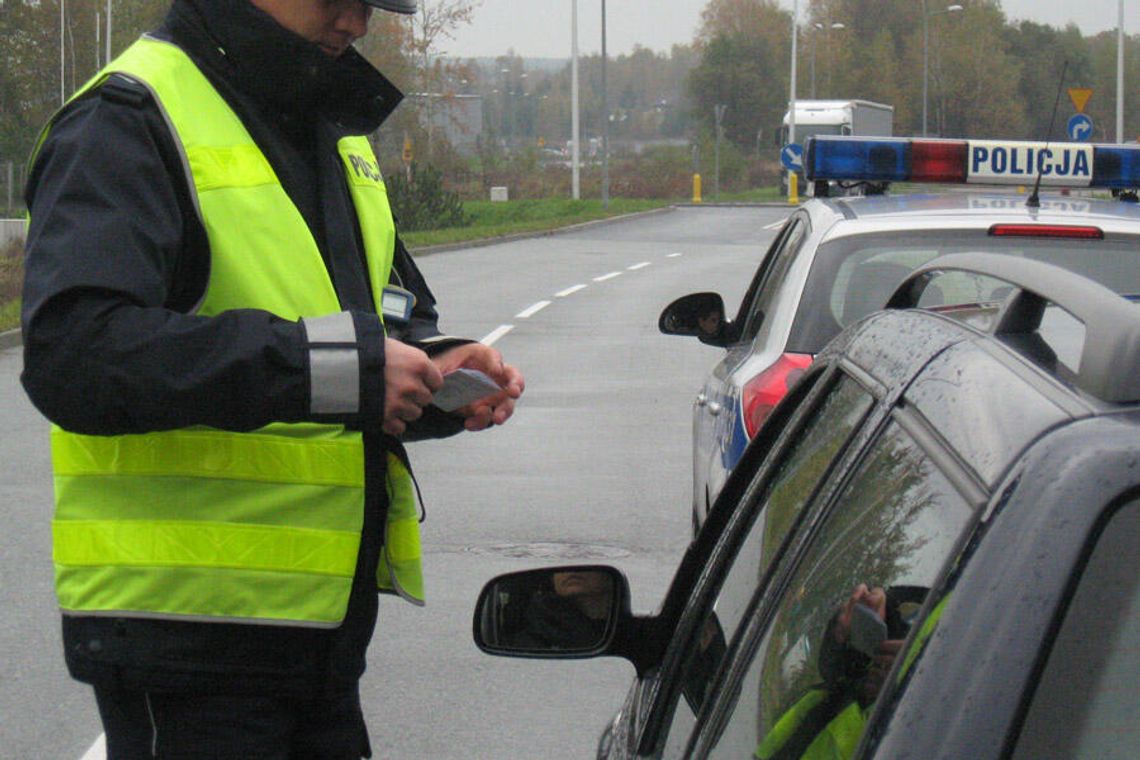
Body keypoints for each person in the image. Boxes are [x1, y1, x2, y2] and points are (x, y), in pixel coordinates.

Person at [20, 0, 524, 756]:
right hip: (187, 635)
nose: (359, 22)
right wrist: (343, 371)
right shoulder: (128, 117)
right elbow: (76, 353)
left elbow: (373, 318)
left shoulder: (324, 126)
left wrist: (432, 365)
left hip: (317, 640)